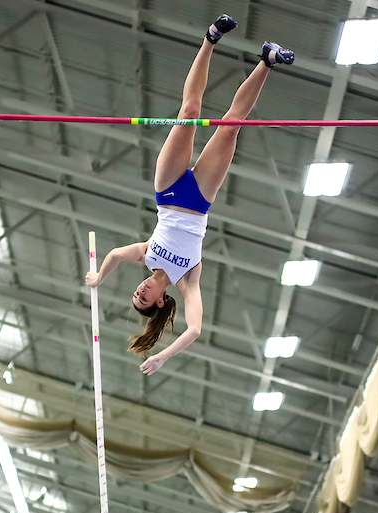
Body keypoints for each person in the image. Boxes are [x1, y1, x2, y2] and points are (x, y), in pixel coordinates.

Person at [84, 15, 294, 376]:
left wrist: (99, 278)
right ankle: (267, 60)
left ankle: (211, 38)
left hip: (168, 191)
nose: (140, 291)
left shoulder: (146, 255)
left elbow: (116, 254)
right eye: (143, 298)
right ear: (159, 302)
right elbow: (195, 329)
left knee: (189, 112)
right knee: (232, 125)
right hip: (199, 201)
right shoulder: (187, 280)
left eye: (135, 292)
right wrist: (163, 356)